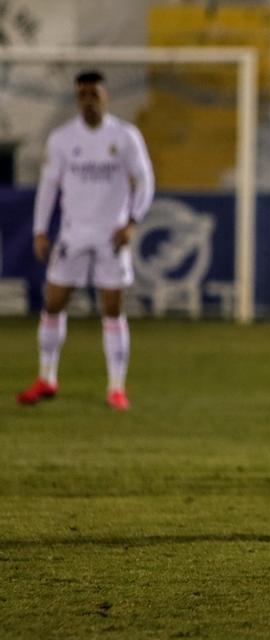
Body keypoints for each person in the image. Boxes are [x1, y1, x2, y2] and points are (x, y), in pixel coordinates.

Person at [17, 71, 154, 411]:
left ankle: (116, 387)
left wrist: (133, 222)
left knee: (112, 309)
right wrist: (39, 230)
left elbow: (145, 181)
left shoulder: (125, 137)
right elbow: (49, 187)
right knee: (53, 303)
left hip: (112, 236)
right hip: (74, 233)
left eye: (94, 93)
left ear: (106, 96)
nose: (89, 100)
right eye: (83, 95)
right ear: (77, 99)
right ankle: (47, 377)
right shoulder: (62, 139)